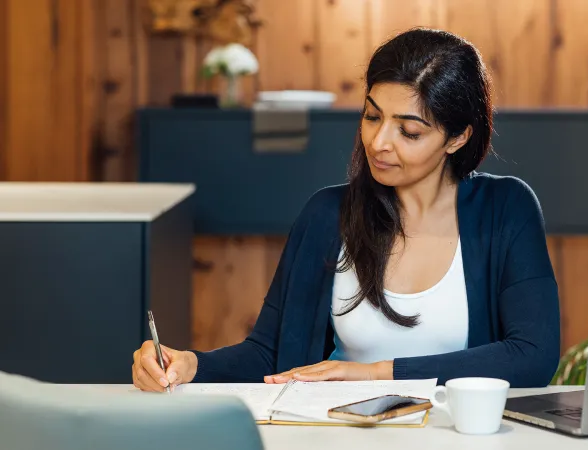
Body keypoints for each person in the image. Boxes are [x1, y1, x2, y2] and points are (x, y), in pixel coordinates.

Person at [132, 27, 560, 392]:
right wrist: (189, 365)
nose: (379, 143)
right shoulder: (326, 214)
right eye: (372, 117)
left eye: (409, 131)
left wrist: (375, 374)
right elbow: (269, 353)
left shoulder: (506, 209)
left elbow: (532, 357)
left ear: (457, 138)